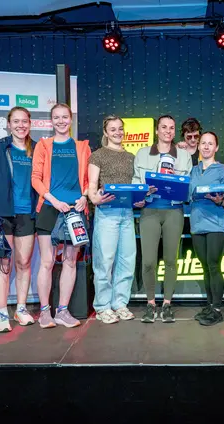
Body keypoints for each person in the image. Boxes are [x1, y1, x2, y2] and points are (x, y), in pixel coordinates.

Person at [31, 103, 89, 329]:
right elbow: (35, 178)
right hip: (49, 208)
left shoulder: (82, 147)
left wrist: (84, 196)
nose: (61, 121)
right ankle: (45, 312)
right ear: (51, 121)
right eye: (57, 117)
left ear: (71, 119)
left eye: (65, 117)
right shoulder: (44, 145)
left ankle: (63, 311)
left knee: (70, 261)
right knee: (47, 262)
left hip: (75, 211)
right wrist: (53, 200)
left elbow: (88, 180)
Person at [132, 115, 193, 323]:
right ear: (157, 130)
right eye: (164, 127)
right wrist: (141, 194)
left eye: (171, 128)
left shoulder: (183, 156)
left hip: (174, 211)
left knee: (170, 260)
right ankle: (150, 304)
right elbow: (135, 182)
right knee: (148, 261)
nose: (168, 131)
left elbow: (188, 186)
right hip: (149, 210)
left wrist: (176, 185)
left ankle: (167, 304)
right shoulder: (142, 154)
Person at [0, 107, 39, 333]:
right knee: (3, 264)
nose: (20, 125)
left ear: (30, 124)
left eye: (24, 121)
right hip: (4, 213)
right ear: (9, 124)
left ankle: (21, 308)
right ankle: (2, 312)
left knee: (24, 263)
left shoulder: (37, 148)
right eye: (16, 121)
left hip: (28, 214)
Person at [88, 115, 145, 324]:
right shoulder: (98, 155)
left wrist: (138, 199)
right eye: (113, 129)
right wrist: (95, 199)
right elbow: (92, 187)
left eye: (120, 128)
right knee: (104, 262)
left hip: (127, 214)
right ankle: (102, 307)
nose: (118, 132)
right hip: (106, 214)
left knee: (127, 261)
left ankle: (120, 303)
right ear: (106, 132)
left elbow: (134, 186)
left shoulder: (131, 156)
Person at [189, 132, 224, 326]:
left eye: (210, 144)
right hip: (197, 225)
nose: (206, 147)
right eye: (203, 143)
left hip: (216, 224)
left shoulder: (223, 171)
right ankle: (209, 304)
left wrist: (220, 200)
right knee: (205, 267)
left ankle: (217, 309)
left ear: (216, 148)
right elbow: (187, 195)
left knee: (214, 265)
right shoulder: (193, 171)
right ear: (198, 146)